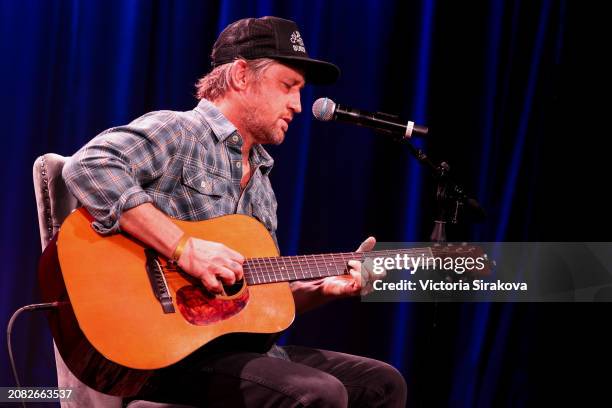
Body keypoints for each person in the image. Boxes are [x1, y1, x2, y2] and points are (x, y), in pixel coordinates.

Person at [63, 16, 407, 407]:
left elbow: (256, 298)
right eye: (287, 86)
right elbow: (88, 165)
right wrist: (184, 248)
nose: (297, 104)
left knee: (382, 382)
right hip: (169, 353)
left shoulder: (261, 182)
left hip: (233, 349)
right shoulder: (180, 131)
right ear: (242, 75)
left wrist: (321, 290)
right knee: (318, 393)